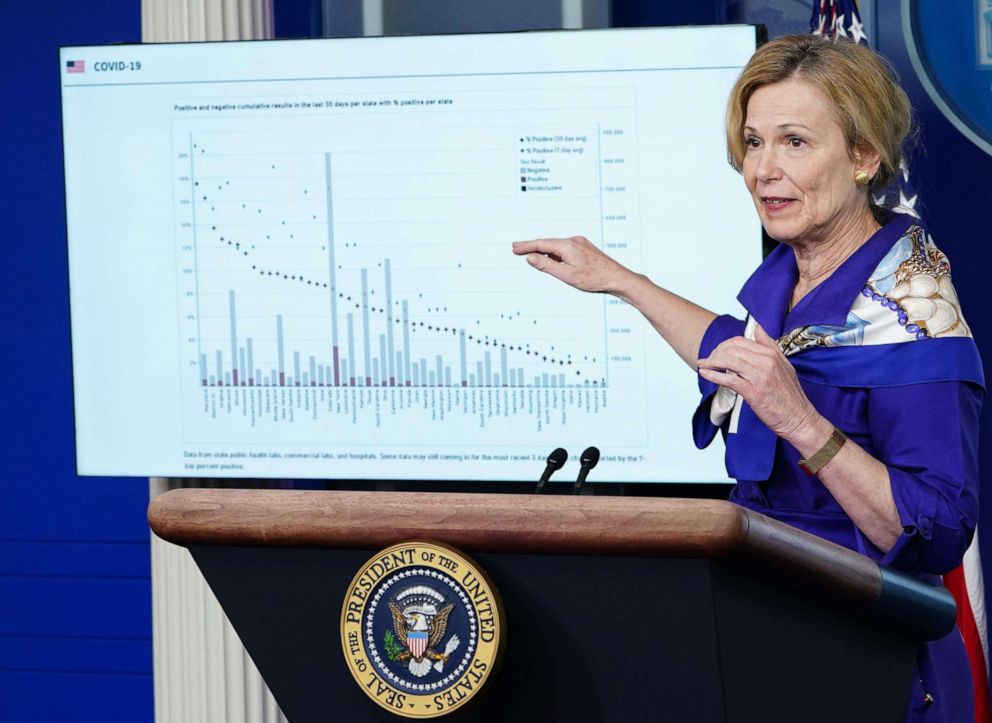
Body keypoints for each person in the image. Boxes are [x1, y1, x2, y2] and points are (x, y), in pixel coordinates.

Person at [513, 34, 983, 722]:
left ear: (862, 156)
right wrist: (619, 281)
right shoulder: (791, 281)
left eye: (794, 142)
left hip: (869, 667)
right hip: (762, 637)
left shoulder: (912, 316)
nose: (763, 169)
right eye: (754, 142)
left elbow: (938, 530)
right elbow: (733, 356)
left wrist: (802, 422)